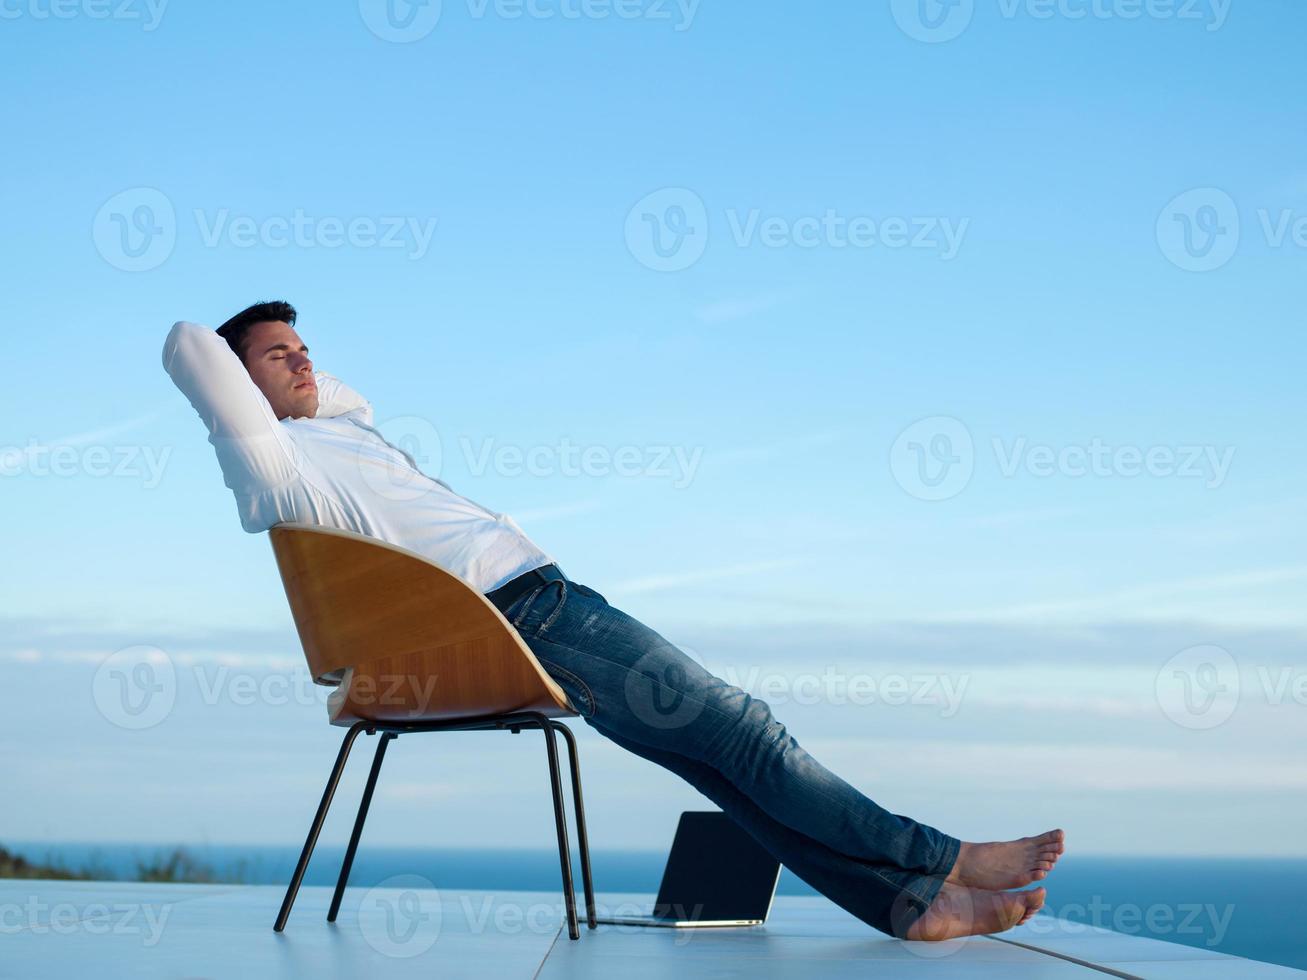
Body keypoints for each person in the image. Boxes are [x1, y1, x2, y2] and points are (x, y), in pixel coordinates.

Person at [162, 300, 1063, 940]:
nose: (303, 362)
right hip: (522, 615)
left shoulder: (334, 433)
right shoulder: (274, 467)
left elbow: (343, 397)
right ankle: (943, 860)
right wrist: (255, 370)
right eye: (278, 355)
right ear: (239, 390)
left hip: (533, 609)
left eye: (305, 347)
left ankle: (905, 908)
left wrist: (302, 381)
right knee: (747, 734)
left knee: (722, 764)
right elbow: (188, 344)